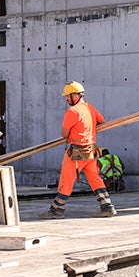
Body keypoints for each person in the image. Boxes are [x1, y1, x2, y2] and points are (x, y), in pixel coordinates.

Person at [39, 81, 117, 218]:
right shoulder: (90, 108)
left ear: (75, 96)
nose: (66, 99)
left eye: (67, 96)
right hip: (90, 152)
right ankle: (107, 206)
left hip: (77, 153)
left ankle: (57, 210)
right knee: (95, 179)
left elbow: (64, 134)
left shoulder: (73, 111)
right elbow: (102, 122)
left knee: (66, 180)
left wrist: (76, 133)